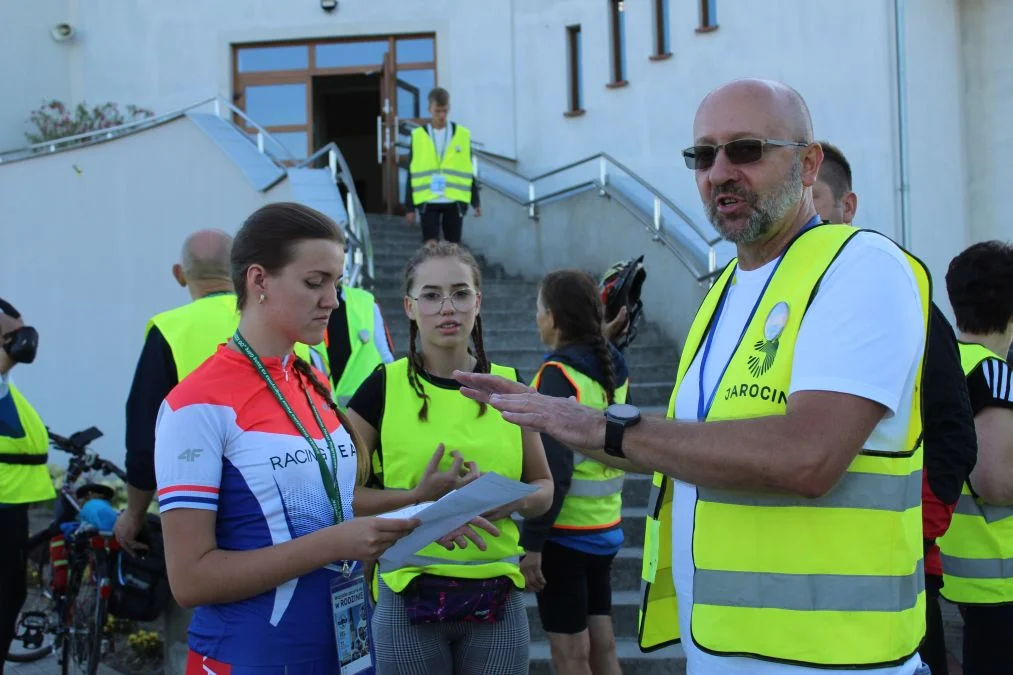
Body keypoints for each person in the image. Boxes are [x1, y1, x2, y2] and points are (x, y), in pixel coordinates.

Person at [456, 79, 933, 674]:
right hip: (721, 650)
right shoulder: (723, 296)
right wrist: (564, 425)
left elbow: (808, 457)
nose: (720, 171)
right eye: (703, 155)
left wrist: (604, 427)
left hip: (837, 659)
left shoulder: (861, 267)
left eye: (747, 149)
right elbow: (684, 446)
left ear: (809, 164)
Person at [153, 203, 432, 674]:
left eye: (337, 283)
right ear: (258, 280)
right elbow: (190, 579)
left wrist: (422, 509)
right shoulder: (197, 403)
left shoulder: (310, 379)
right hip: (252, 654)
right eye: (314, 282)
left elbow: (331, 502)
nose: (334, 300)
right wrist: (334, 545)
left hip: (346, 644)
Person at [346, 241, 553, 675]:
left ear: (478, 302)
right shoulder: (382, 387)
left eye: (460, 293)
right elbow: (343, 495)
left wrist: (508, 502)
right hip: (408, 595)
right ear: (409, 305)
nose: (448, 308)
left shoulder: (509, 386)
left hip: (496, 596)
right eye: (431, 294)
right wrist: (420, 500)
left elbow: (544, 489)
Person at [813, 141, 978, 675]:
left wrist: (918, 529)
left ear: (847, 206)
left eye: (813, 199)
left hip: (895, 569)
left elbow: (953, 431)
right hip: (804, 577)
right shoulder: (775, 305)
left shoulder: (902, 296)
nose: (803, 216)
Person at [114, 228, 238, 675]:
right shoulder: (274, 322)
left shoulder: (170, 331)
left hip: (199, 518)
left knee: (193, 641)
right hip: (278, 517)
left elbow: (144, 438)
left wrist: (132, 513)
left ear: (178, 274)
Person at [520, 270, 631, 675]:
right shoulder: (612, 367)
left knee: (570, 655)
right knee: (602, 645)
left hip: (564, 536)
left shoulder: (558, 374)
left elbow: (556, 469)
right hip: (605, 527)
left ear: (553, 317)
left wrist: (532, 541)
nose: (536, 318)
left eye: (539, 310)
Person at [936, 240, 1013, 675]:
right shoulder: (993, 372)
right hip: (997, 579)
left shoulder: (945, 362)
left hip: (951, 568)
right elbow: (995, 481)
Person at [0, 299, 53, 673]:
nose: (22, 342)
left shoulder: (6, 384)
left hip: (10, 503)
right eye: (12, 336)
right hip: (3, 503)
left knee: (9, 596)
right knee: (4, 598)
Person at [404, 87, 481, 245]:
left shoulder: (462, 135)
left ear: (449, 109)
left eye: (444, 111)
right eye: (437, 111)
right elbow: (411, 173)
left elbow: (468, 170)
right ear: (429, 109)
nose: (441, 115)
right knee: (430, 245)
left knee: (453, 247)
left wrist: (476, 201)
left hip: (454, 199)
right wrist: (410, 208)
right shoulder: (418, 136)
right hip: (427, 198)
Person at [316, 282, 396, 408]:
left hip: (367, 414)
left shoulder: (365, 302)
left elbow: (386, 358)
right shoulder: (299, 306)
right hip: (316, 418)